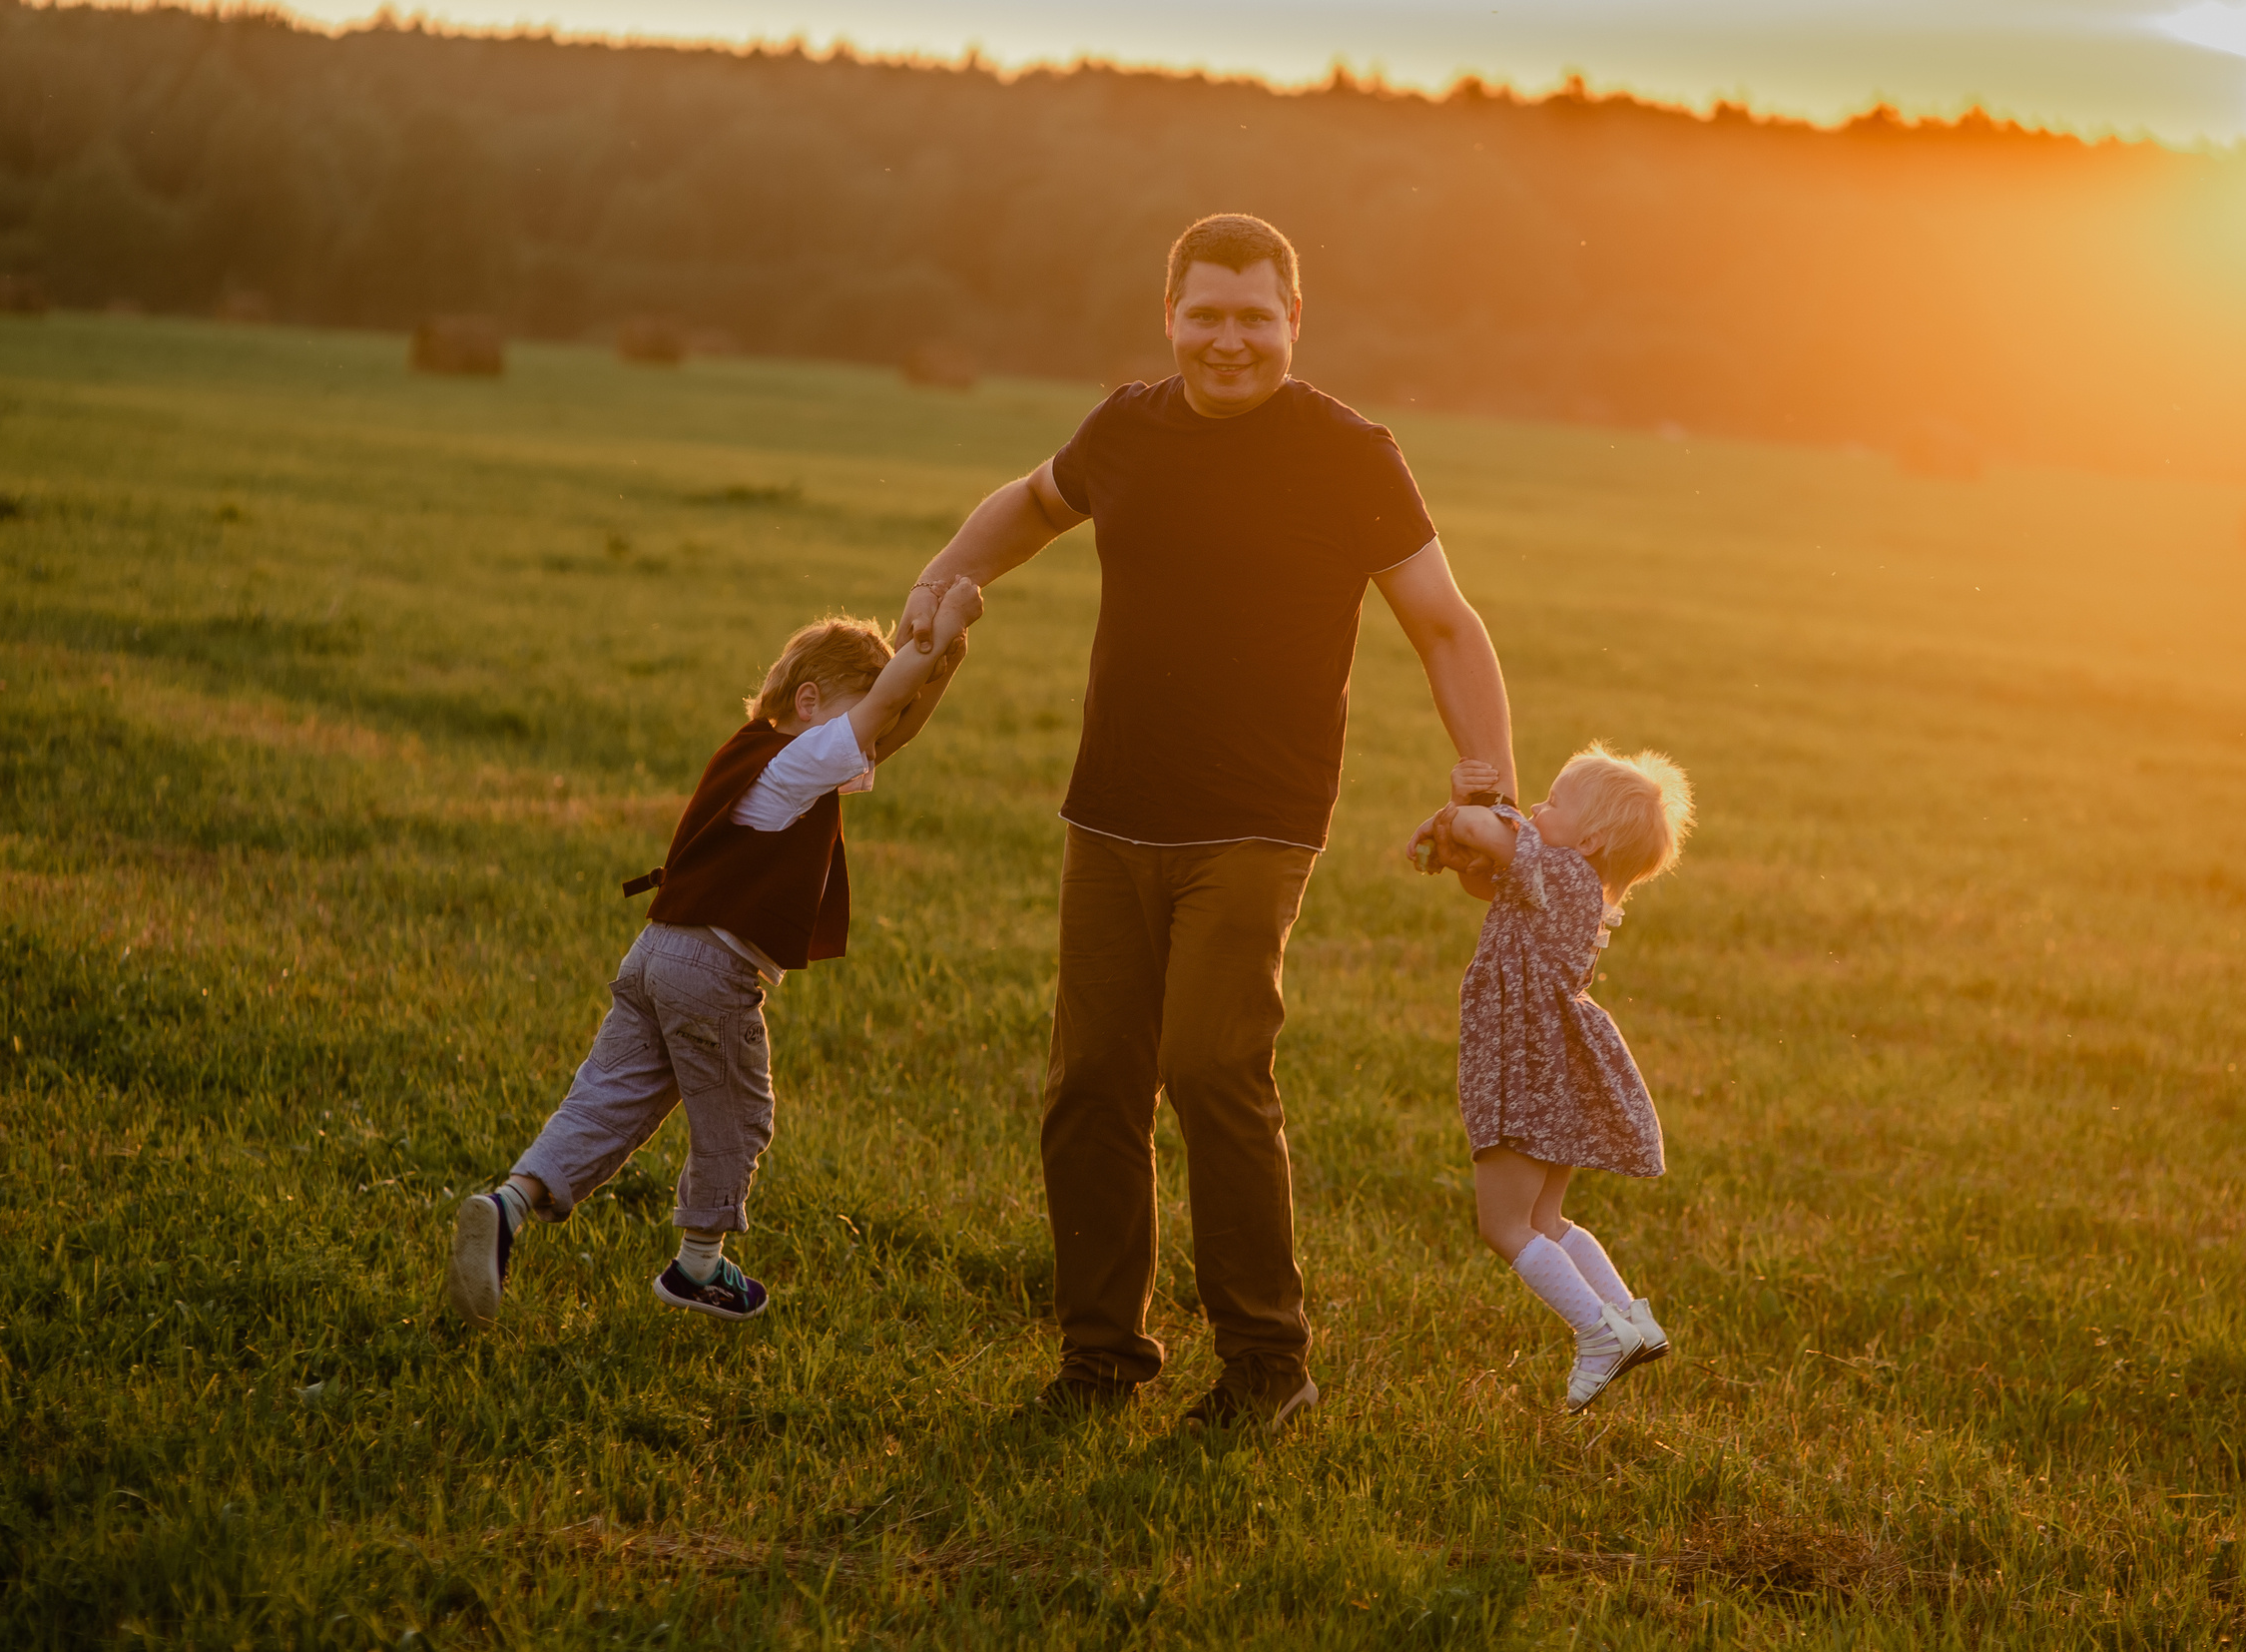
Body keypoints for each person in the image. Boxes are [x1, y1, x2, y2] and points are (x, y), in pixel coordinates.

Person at [892, 213, 1515, 1431]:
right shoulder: (1125, 428)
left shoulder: (1348, 452)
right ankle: (1100, 1357)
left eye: (1255, 316)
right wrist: (938, 584)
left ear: (1294, 322)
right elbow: (1028, 502)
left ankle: (1267, 1366)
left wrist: (1485, 787)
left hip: (1256, 819)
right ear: (1168, 317)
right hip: (1110, 808)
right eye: (1206, 315)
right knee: (1089, 1085)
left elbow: (1443, 621)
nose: (1229, 340)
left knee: (1212, 1066)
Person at [445, 586, 983, 1327]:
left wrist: (946, 662)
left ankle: (510, 1204)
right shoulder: (797, 762)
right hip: (711, 972)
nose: (873, 728)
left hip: (657, 954)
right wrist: (937, 630)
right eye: (860, 707)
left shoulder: (761, 751)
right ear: (809, 698)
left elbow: (893, 727)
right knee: (738, 1111)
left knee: (610, 1096)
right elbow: (882, 710)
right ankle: (698, 1268)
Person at [1407, 744, 1695, 1409]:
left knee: (1504, 1225)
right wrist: (1455, 825)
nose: (1537, 808)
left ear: (1589, 839)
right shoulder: (1572, 880)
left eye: (1554, 802)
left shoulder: (1563, 871)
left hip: (1523, 1068)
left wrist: (1470, 805)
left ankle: (1599, 1334)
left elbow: (1483, 831)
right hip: (1555, 1068)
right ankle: (1629, 1313)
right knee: (1545, 1216)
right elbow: (1480, 874)